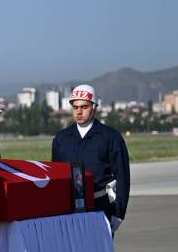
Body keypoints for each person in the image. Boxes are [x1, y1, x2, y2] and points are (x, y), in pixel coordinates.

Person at [51, 84, 130, 234]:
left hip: (100, 207)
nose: (79, 112)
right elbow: (57, 178)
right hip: (70, 210)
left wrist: (118, 213)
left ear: (94, 107)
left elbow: (122, 176)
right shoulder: (61, 139)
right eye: (75, 107)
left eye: (84, 107)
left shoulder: (111, 137)